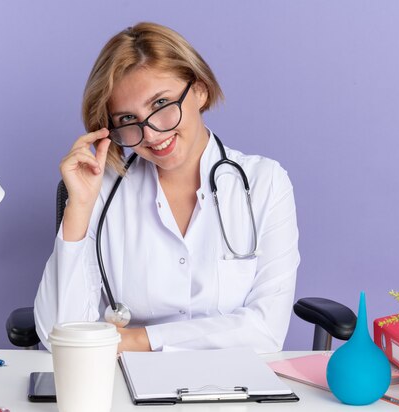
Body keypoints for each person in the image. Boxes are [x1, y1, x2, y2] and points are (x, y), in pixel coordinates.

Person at [34, 22, 299, 353]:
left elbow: (265, 331)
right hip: (129, 389)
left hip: (233, 390)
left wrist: (136, 338)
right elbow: (59, 336)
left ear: (199, 90)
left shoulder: (265, 183)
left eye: (160, 104)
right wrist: (80, 209)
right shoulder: (102, 192)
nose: (152, 134)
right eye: (128, 120)